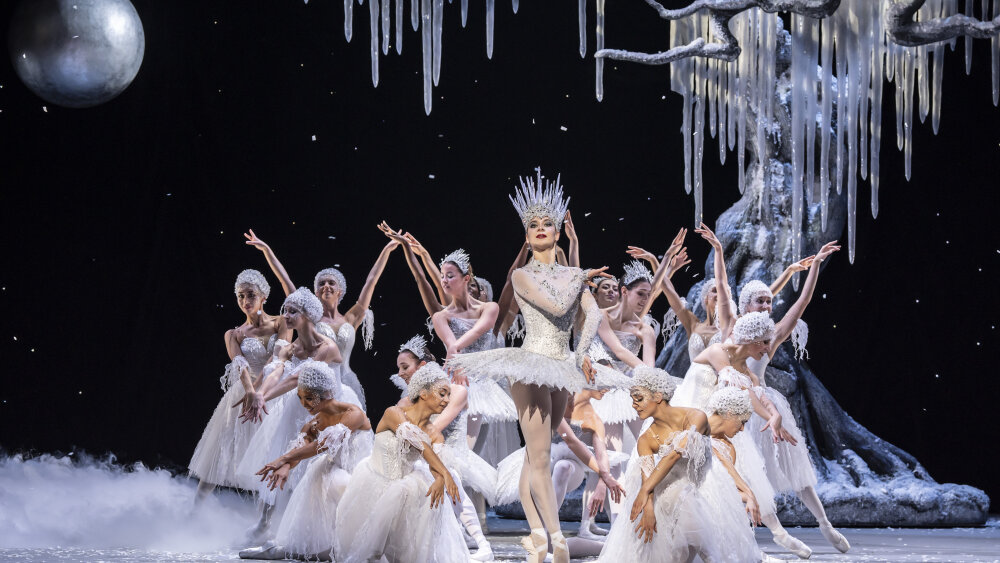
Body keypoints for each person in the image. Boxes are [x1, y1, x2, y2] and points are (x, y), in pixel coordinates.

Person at [446, 170, 605, 563]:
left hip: (562, 367)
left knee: (539, 455)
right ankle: (553, 537)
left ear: (556, 231)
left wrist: (583, 351)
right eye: (531, 224)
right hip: (530, 365)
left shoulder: (571, 275)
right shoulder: (522, 275)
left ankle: (537, 537)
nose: (539, 229)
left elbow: (593, 313)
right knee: (539, 456)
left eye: (546, 223)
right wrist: (581, 276)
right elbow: (553, 306)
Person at [235, 288, 351, 542]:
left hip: (325, 412)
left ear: (308, 315)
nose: (285, 315)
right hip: (297, 407)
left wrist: (264, 397)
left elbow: (297, 378)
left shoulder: (327, 347)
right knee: (281, 457)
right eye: (285, 310)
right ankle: (264, 522)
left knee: (314, 467)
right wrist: (258, 394)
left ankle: (316, 528)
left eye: (292, 311)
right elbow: (277, 372)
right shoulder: (292, 346)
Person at [244, 228, 399, 410]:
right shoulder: (308, 318)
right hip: (313, 383)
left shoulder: (351, 317)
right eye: (321, 283)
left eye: (331, 282)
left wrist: (387, 250)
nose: (326, 286)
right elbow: (285, 281)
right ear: (315, 291)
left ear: (339, 291)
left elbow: (371, 281)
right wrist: (267, 250)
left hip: (345, 382)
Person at [239, 361, 373, 561]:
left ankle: (351, 545)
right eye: (300, 397)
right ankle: (303, 545)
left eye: (309, 398)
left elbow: (325, 444)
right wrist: (285, 466)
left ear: (327, 393)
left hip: (363, 475)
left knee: (331, 474)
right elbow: (301, 447)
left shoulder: (353, 413)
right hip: (338, 475)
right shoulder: (314, 423)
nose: (304, 404)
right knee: (326, 473)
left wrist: (284, 459)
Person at [335, 363, 468, 563]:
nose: (447, 400)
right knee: (367, 550)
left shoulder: (434, 432)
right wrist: (444, 474)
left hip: (401, 491)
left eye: (449, 395)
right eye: (442, 394)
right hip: (372, 483)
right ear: (423, 393)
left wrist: (441, 477)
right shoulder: (394, 413)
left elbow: (433, 459)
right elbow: (419, 443)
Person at [598, 366, 719, 562]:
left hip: (692, 492)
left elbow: (673, 455)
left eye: (638, 398)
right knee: (686, 543)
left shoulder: (696, 417)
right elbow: (648, 476)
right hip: (667, 494)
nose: (634, 405)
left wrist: (643, 492)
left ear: (658, 396)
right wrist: (648, 508)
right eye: (632, 399)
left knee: (689, 540)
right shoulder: (646, 440)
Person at [188, 270, 290, 500]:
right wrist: (251, 392)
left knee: (272, 452)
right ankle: (195, 511)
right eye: (240, 296)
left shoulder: (281, 323)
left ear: (263, 296)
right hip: (244, 393)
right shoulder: (234, 334)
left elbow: (279, 359)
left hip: (274, 392)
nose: (245, 301)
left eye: (251, 295)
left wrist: (260, 393)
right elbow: (240, 365)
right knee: (219, 451)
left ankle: (266, 522)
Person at [704, 387, 785, 563]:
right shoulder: (695, 427)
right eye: (742, 422)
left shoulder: (728, 446)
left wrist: (747, 496)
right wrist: (749, 493)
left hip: (710, 504)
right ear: (730, 414)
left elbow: (723, 487)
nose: (742, 429)